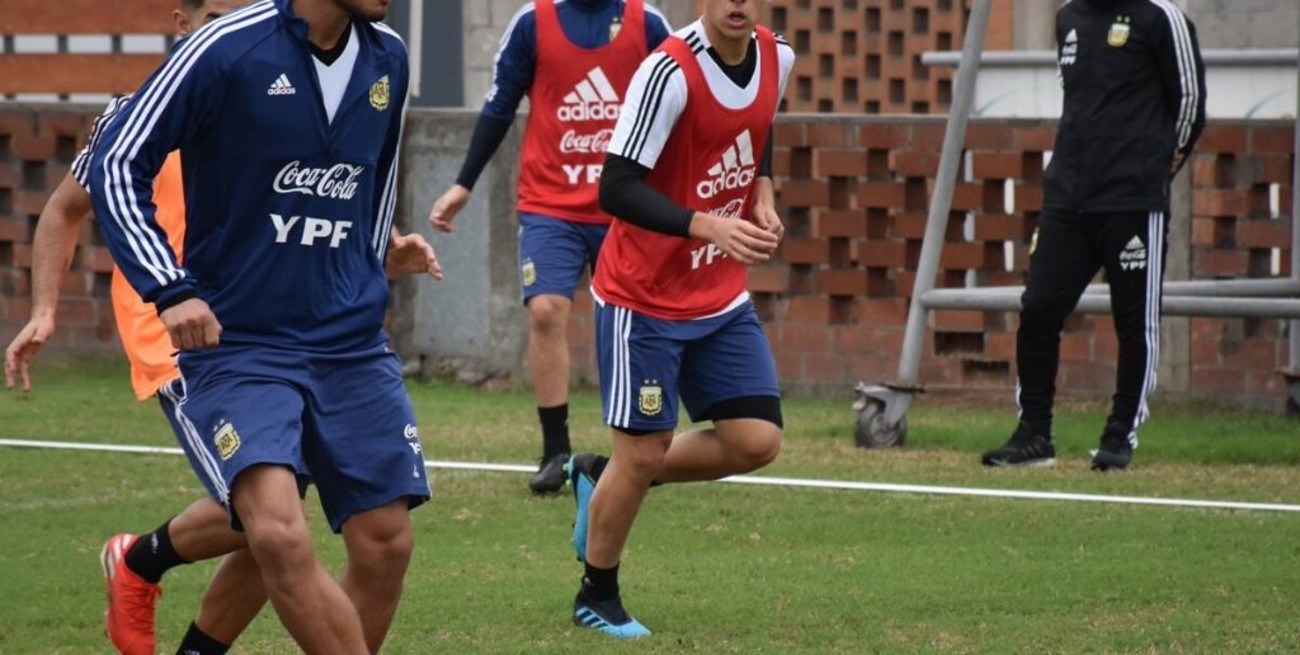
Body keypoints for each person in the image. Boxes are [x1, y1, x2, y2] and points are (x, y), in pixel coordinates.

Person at [86, 1, 436, 653]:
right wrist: (169, 289)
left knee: (386, 540)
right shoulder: (225, 46)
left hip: (350, 345)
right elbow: (114, 161)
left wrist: (374, 252)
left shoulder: (390, 55)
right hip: (241, 342)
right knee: (274, 529)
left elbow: (371, 184)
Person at [562, 0, 793, 639]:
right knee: (642, 453)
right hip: (644, 297)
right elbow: (615, 187)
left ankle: (598, 476)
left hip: (718, 294)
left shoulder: (778, 56)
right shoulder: (668, 73)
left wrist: (763, 191)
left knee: (756, 440)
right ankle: (596, 595)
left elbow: (759, 125)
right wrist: (706, 223)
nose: (740, 5)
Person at [428, 0, 672, 494]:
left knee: (634, 325)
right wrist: (464, 184)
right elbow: (499, 105)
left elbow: (683, 101)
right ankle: (555, 451)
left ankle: (633, 451)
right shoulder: (531, 23)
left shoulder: (647, 23)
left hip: (625, 204)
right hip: (549, 205)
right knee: (545, 310)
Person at [981, 0, 1205, 470]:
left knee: (1134, 322)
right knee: (1040, 307)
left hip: (1132, 199)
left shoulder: (1159, 17)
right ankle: (1034, 435)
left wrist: (1158, 168)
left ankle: (1120, 435)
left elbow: (1190, 102)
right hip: (1068, 198)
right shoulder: (1067, 17)